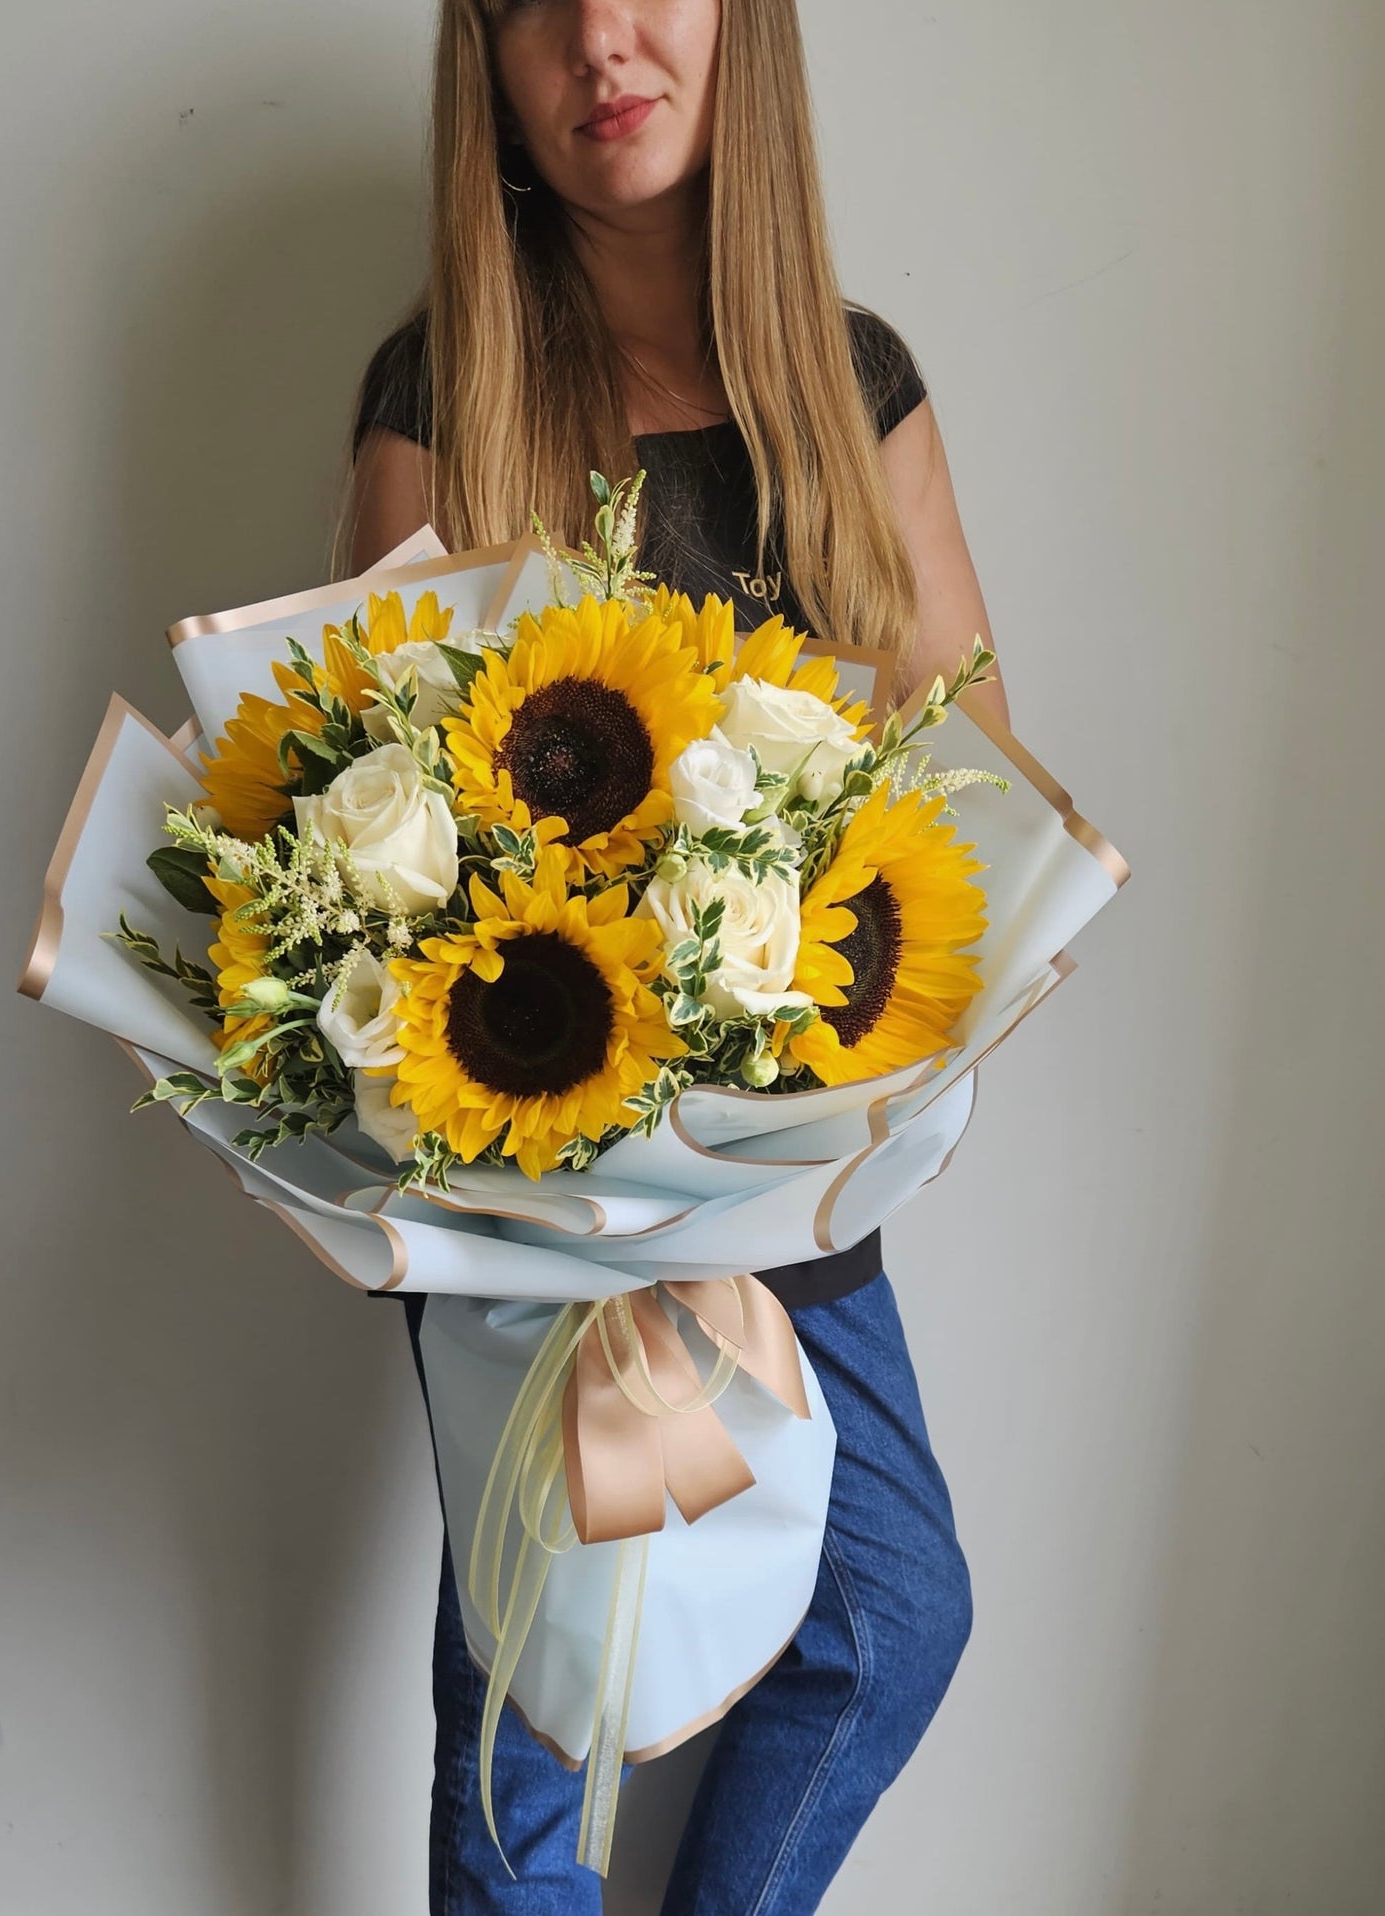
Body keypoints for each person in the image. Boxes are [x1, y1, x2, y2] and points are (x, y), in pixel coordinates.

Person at [344, 3, 1010, 1910]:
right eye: (535, 4)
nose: (597, 40)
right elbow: (376, 805)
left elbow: (957, 774)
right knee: (534, 1688)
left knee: (889, 1612)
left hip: (789, 1163)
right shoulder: (441, 389)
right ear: (486, 62)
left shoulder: (849, 383)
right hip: (526, 1165)